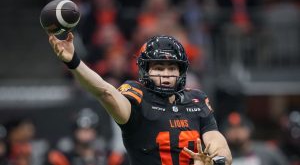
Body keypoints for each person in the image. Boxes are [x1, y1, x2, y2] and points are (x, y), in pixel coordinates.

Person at [47, 32, 232, 165]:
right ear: (146, 71)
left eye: (172, 68)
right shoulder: (137, 97)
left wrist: (216, 161)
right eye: (159, 68)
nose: (166, 74)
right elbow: (105, 92)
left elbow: (218, 142)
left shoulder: (196, 100)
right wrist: (74, 62)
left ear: (181, 71)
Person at [221, 112, 288, 165]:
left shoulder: (267, 151)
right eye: (231, 128)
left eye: (240, 127)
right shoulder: (221, 156)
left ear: (249, 130)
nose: (236, 132)